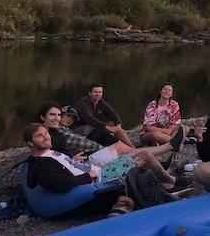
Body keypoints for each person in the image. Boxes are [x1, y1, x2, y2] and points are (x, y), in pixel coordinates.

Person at [23, 123, 190, 196]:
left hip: (92, 169)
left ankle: (166, 180)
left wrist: (80, 163)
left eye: (46, 133)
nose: (46, 138)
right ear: (30, 143)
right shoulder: (42, 166)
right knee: (144, 156)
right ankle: (172, 181)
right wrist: (92, 174)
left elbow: (67, 168)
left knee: (126, 155)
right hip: (98, 176)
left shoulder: (49, 154)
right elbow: (62, 184)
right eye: (40, 136)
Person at [35, 103, 183, 166]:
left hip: (86, 154)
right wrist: (71, 159)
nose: (57, 118)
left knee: (122, 147)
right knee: (123, 150)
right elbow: (51, 154)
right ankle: (169, 146)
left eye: (58, 115)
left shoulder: (58, 130)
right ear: (42, 117)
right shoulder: (45, 134)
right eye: (52, 115)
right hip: (85, 160)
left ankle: (168, 149)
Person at [73, 83, 135, 148]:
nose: (98, 95)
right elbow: (89, 118)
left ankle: (131, 147)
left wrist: (118, 124)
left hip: (94, 126)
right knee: (96, 127)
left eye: (100, 92)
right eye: (95, 92)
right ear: (90, 93)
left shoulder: (101, 102)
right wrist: (106, 127)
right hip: (80, 128)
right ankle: (120, 146)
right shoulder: (83, 103)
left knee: (114, 123)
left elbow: (112, 113)